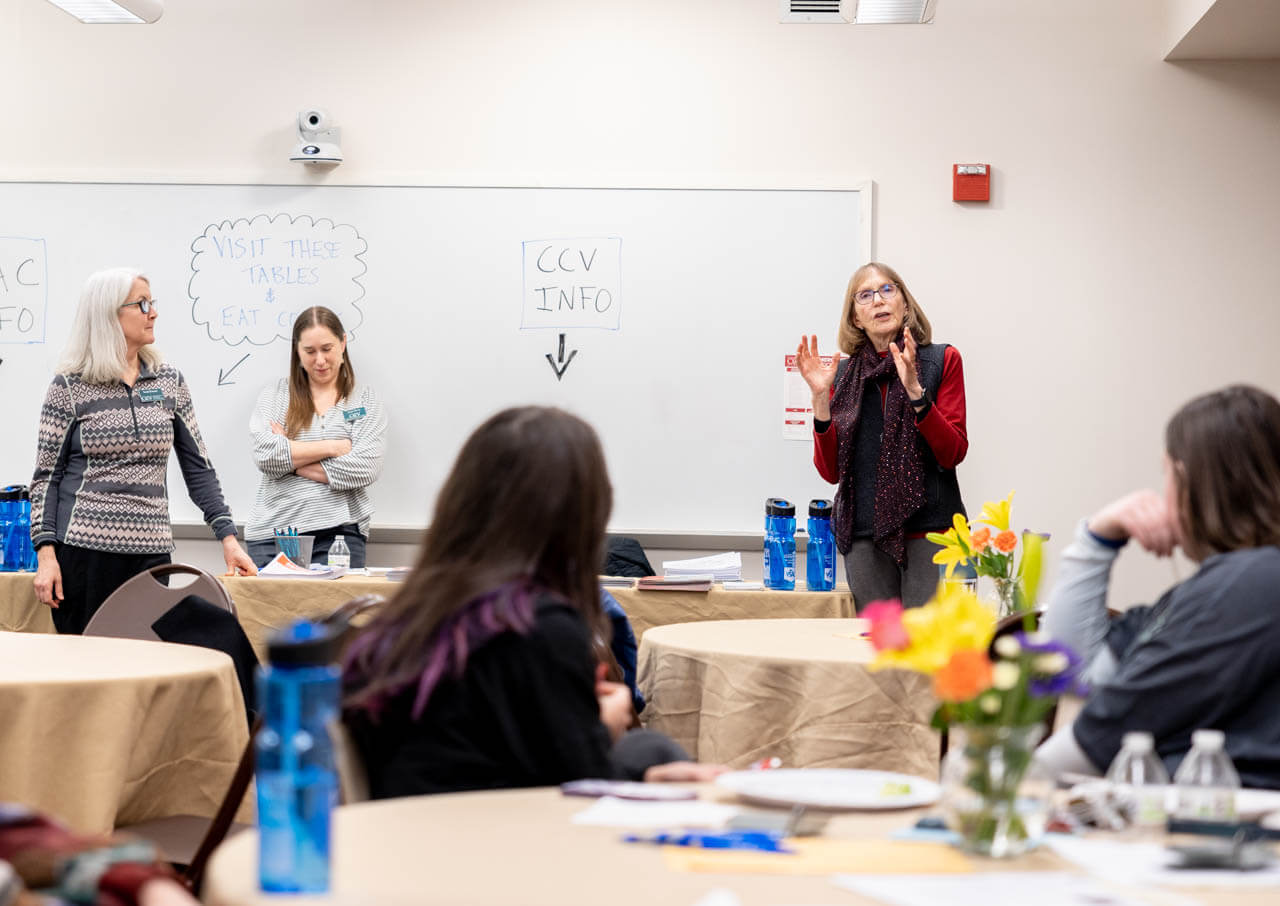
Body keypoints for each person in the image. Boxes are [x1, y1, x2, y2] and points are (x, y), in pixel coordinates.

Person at [341, 406, 719, 797]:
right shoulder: (537, 627)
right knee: (652, 748)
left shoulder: (410, 616)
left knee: (648, 753)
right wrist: (599, 724)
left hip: (408, 831)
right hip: (497, 839)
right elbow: (579, 789)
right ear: (581, 514)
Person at [1036, 385, 1280, 788]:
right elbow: (1066, 672)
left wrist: (1013, 786)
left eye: (1167, 475)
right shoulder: (1207, 591)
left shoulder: (1250, 585)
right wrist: (1098, 540)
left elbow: (1088, 748)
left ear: (1190, 481)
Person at [30, 268, 255, 634]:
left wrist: (228, 539)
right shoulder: (69, 387)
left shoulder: (169, 381)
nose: (153, 313)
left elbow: (199, 469)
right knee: (89, 669)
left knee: (144, 665)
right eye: (142, 304)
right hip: (85, 557)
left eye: (152, 303)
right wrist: (46, 555)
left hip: (150, 555)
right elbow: (46, 480)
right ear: (108, 315)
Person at [795, 262, 968, 609]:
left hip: (933, 532)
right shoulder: (841, 376)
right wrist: (819, 399)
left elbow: (952, 453)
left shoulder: (941, 360)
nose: (879, 300)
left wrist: (917, 393)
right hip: (864, 537)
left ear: (905, 303)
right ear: (856, 318)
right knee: (878, 653)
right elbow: (831, 472)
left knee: (933, 652)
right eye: (866, 295)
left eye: (888, 290)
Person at [244, 307, 386, 569]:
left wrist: (292, 458)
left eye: (327, 348)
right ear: (297, 352)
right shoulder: (275, 396)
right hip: (273, 534)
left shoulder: (363, 400)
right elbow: (267, 456)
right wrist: (335, 447)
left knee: (335, 611)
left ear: (343, 343)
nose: (319, 360)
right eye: (310, 351)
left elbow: (366, 467)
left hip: (340, 534)